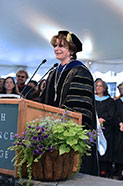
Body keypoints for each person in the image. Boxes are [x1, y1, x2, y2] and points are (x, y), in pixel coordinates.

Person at [42, 30, 97, 175]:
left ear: (72, 50)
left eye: (62, 46)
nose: (56, 49)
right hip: (52, 130)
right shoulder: (54, 72)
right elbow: (43, 101)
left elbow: (79, 107)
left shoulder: (80, 72)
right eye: (55, 45)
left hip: (70, 134)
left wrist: (61, 122)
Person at [95, 79, 115, 178]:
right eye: (96, 86)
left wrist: (103, 119)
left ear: (104, 88)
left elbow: (112, 113)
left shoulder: (109, 101)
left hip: (106, 129)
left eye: (100, 86)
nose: (98, 87)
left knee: (106, 149)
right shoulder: (92, 100)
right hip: (94, 128)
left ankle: (105, 170)